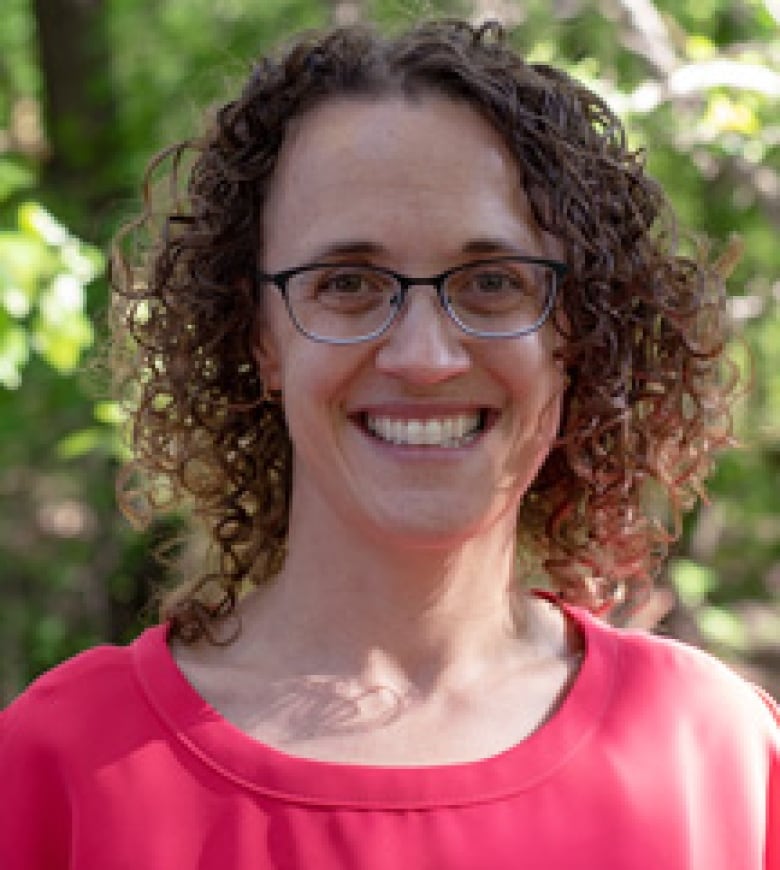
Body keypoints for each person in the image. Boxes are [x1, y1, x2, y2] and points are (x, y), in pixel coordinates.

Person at [1, 18, 777, 870]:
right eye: (346, 284)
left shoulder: (715, 759)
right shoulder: (59, 768)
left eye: (491, 282)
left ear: (577, 332)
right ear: (257, 334)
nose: (424, 357)